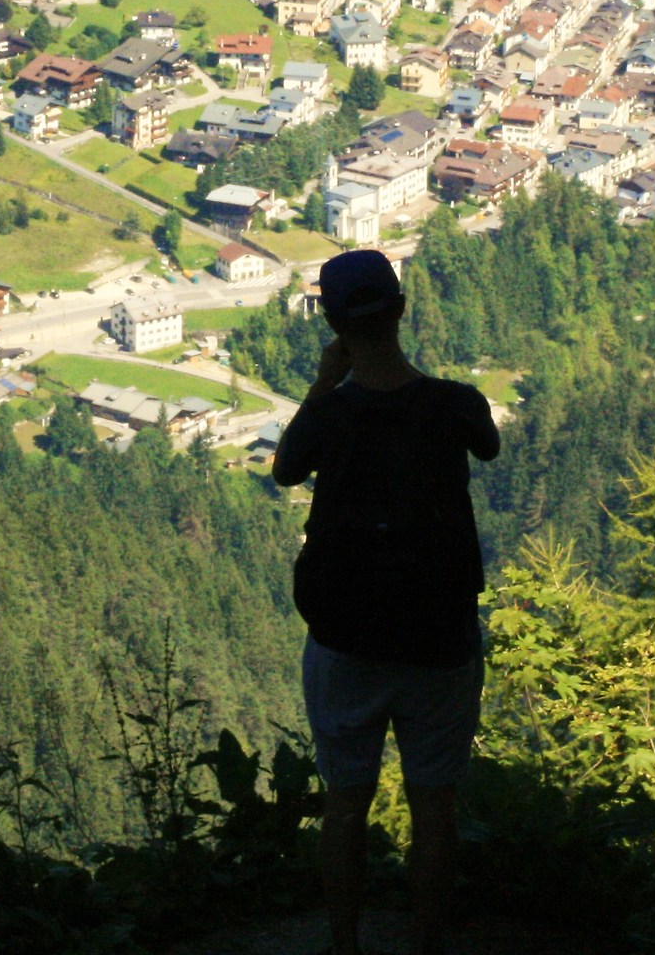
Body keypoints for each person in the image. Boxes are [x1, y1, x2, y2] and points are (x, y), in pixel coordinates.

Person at [273, 249, 501, 955]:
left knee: (346, 804)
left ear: (333, 325)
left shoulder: (329, 416)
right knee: (435, 805)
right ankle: (427, 943)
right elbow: (488, 446)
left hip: (347, 635)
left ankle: (344, 944)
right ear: (401, 309)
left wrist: (324, 384)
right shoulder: (456, 403)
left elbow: (286, 469)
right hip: (439, 636)